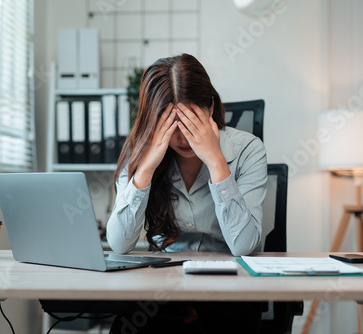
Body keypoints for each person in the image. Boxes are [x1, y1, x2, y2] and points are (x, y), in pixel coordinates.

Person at [106, 54, 268, 333]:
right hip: (163, 289)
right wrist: (145, 171)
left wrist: (216, 162)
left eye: (191, 122)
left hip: (231, 290)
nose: (182, 138)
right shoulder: (138, 154)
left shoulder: (248, 150)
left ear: (211, 108)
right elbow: (120, 245)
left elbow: (244, 246)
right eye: (171, 125)